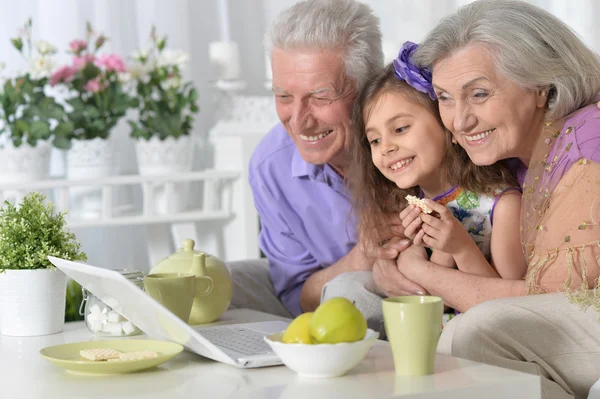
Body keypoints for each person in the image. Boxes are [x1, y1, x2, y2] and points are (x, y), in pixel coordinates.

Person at [366, 0, 600, 397]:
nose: (460, 120)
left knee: (476, 330)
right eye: (444, 97)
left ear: (540, 86)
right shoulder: (520, 154)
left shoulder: (586, 138)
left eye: (478, 93)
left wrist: (420, 273)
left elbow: (543, 299)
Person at [226, 0, 413, 322]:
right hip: (336, 291)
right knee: (211, 284)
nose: (298, 121)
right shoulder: (272, 165)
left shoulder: (416, 134)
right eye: (283, 96)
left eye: (320, 97)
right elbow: (295, 295)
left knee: (349, 293)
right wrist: (363, 255)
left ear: (369, 86)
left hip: (420, 290)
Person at [349, 43, 525, 283]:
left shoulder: (502, 206)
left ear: (447, 124)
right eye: (375, 140)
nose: (386, 147)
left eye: (400, 128)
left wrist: (460, 248)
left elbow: (509, 306)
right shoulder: (403, 208)